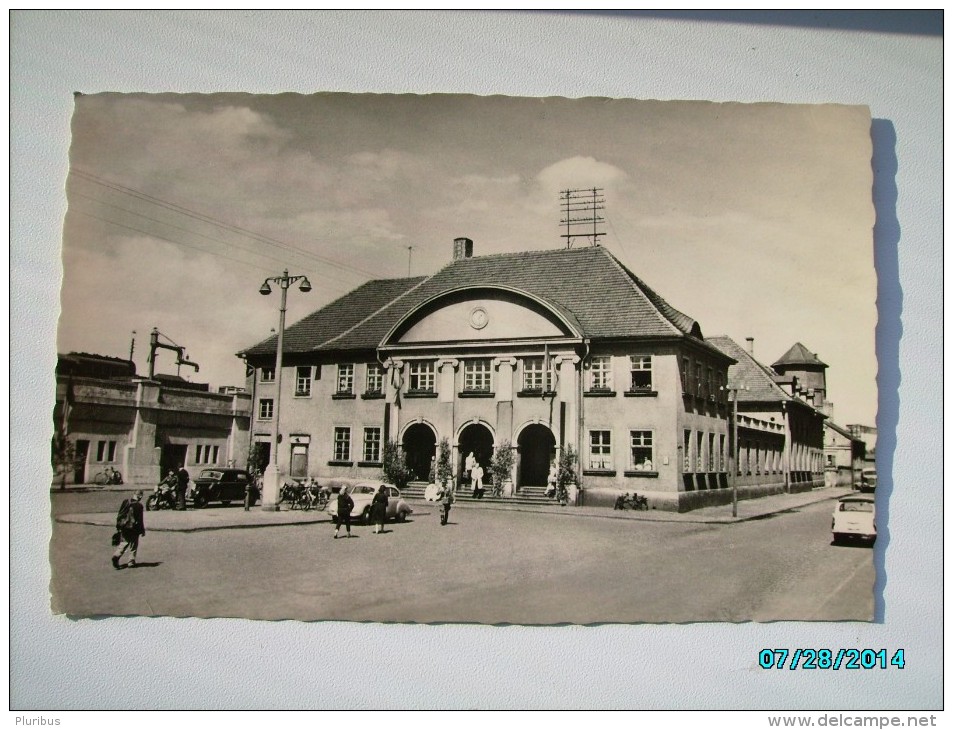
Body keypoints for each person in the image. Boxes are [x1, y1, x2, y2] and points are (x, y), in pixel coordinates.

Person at [112, 490, 145, 569]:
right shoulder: (139, 506)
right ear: (139, 496)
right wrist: (142, 530)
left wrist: (118, 526)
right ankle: (131, 561)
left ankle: (116, 555)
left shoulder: (126, 501)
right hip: (134, 528)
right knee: (133, 545)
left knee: (124, 543)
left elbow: (120, 513)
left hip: (124, 527)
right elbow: (140, 520)